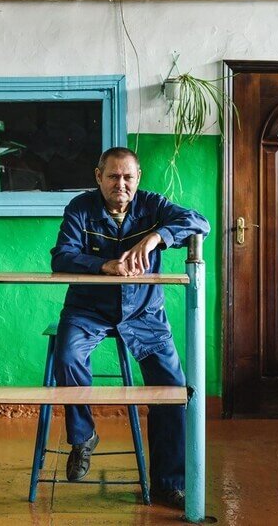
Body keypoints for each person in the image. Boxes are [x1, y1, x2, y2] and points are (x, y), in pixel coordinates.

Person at [50, 146, 209, 508]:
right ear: (98, 177)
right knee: (68, 356)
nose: (120, 184)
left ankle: (169, 483)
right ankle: (83, 437)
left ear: (138, 179)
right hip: (87, 310)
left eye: (128, 178)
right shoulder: (80, 208)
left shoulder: (153, 206)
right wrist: (103, 265)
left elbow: (200, 223)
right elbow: (61, 257)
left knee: (171, 388)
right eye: (113, 177)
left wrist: (156, 237)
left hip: (144, 313)